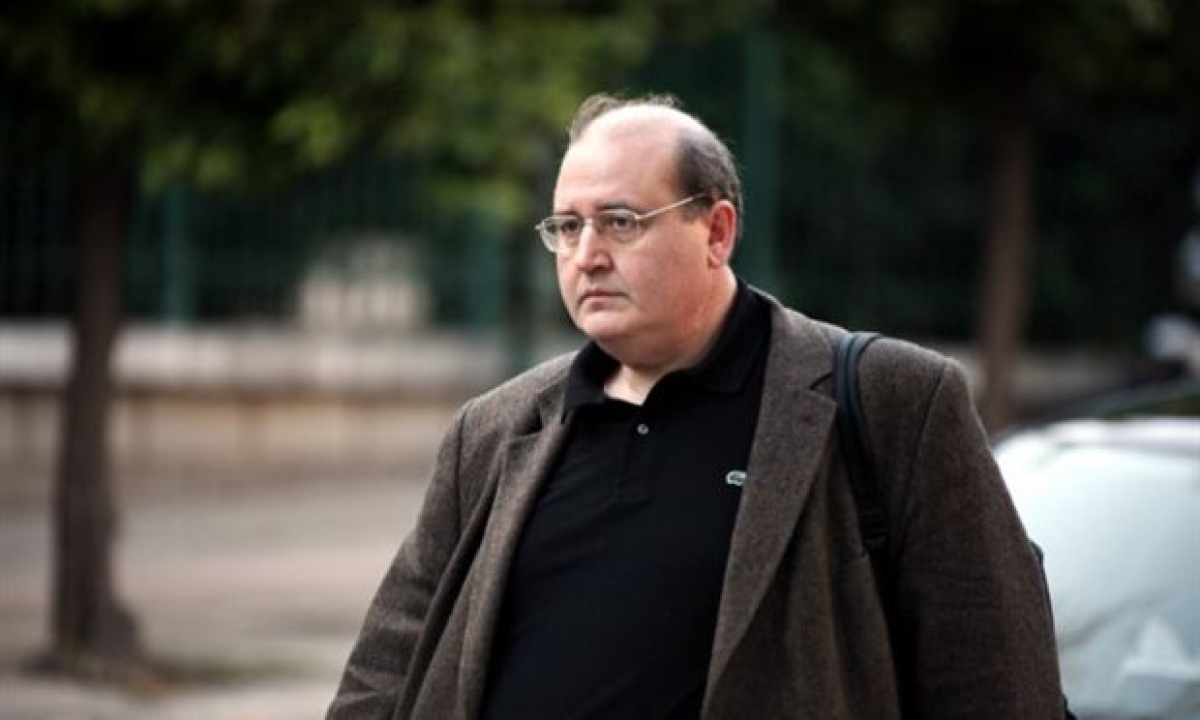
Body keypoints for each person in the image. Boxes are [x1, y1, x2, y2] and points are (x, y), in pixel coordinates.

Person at [328, 93, 1066, 719]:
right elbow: (384, 674)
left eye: (621, 221)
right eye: (568, 226)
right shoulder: (493, 430)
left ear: (717, 231)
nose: (587, 255)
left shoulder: (890, 400)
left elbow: (997, 680)